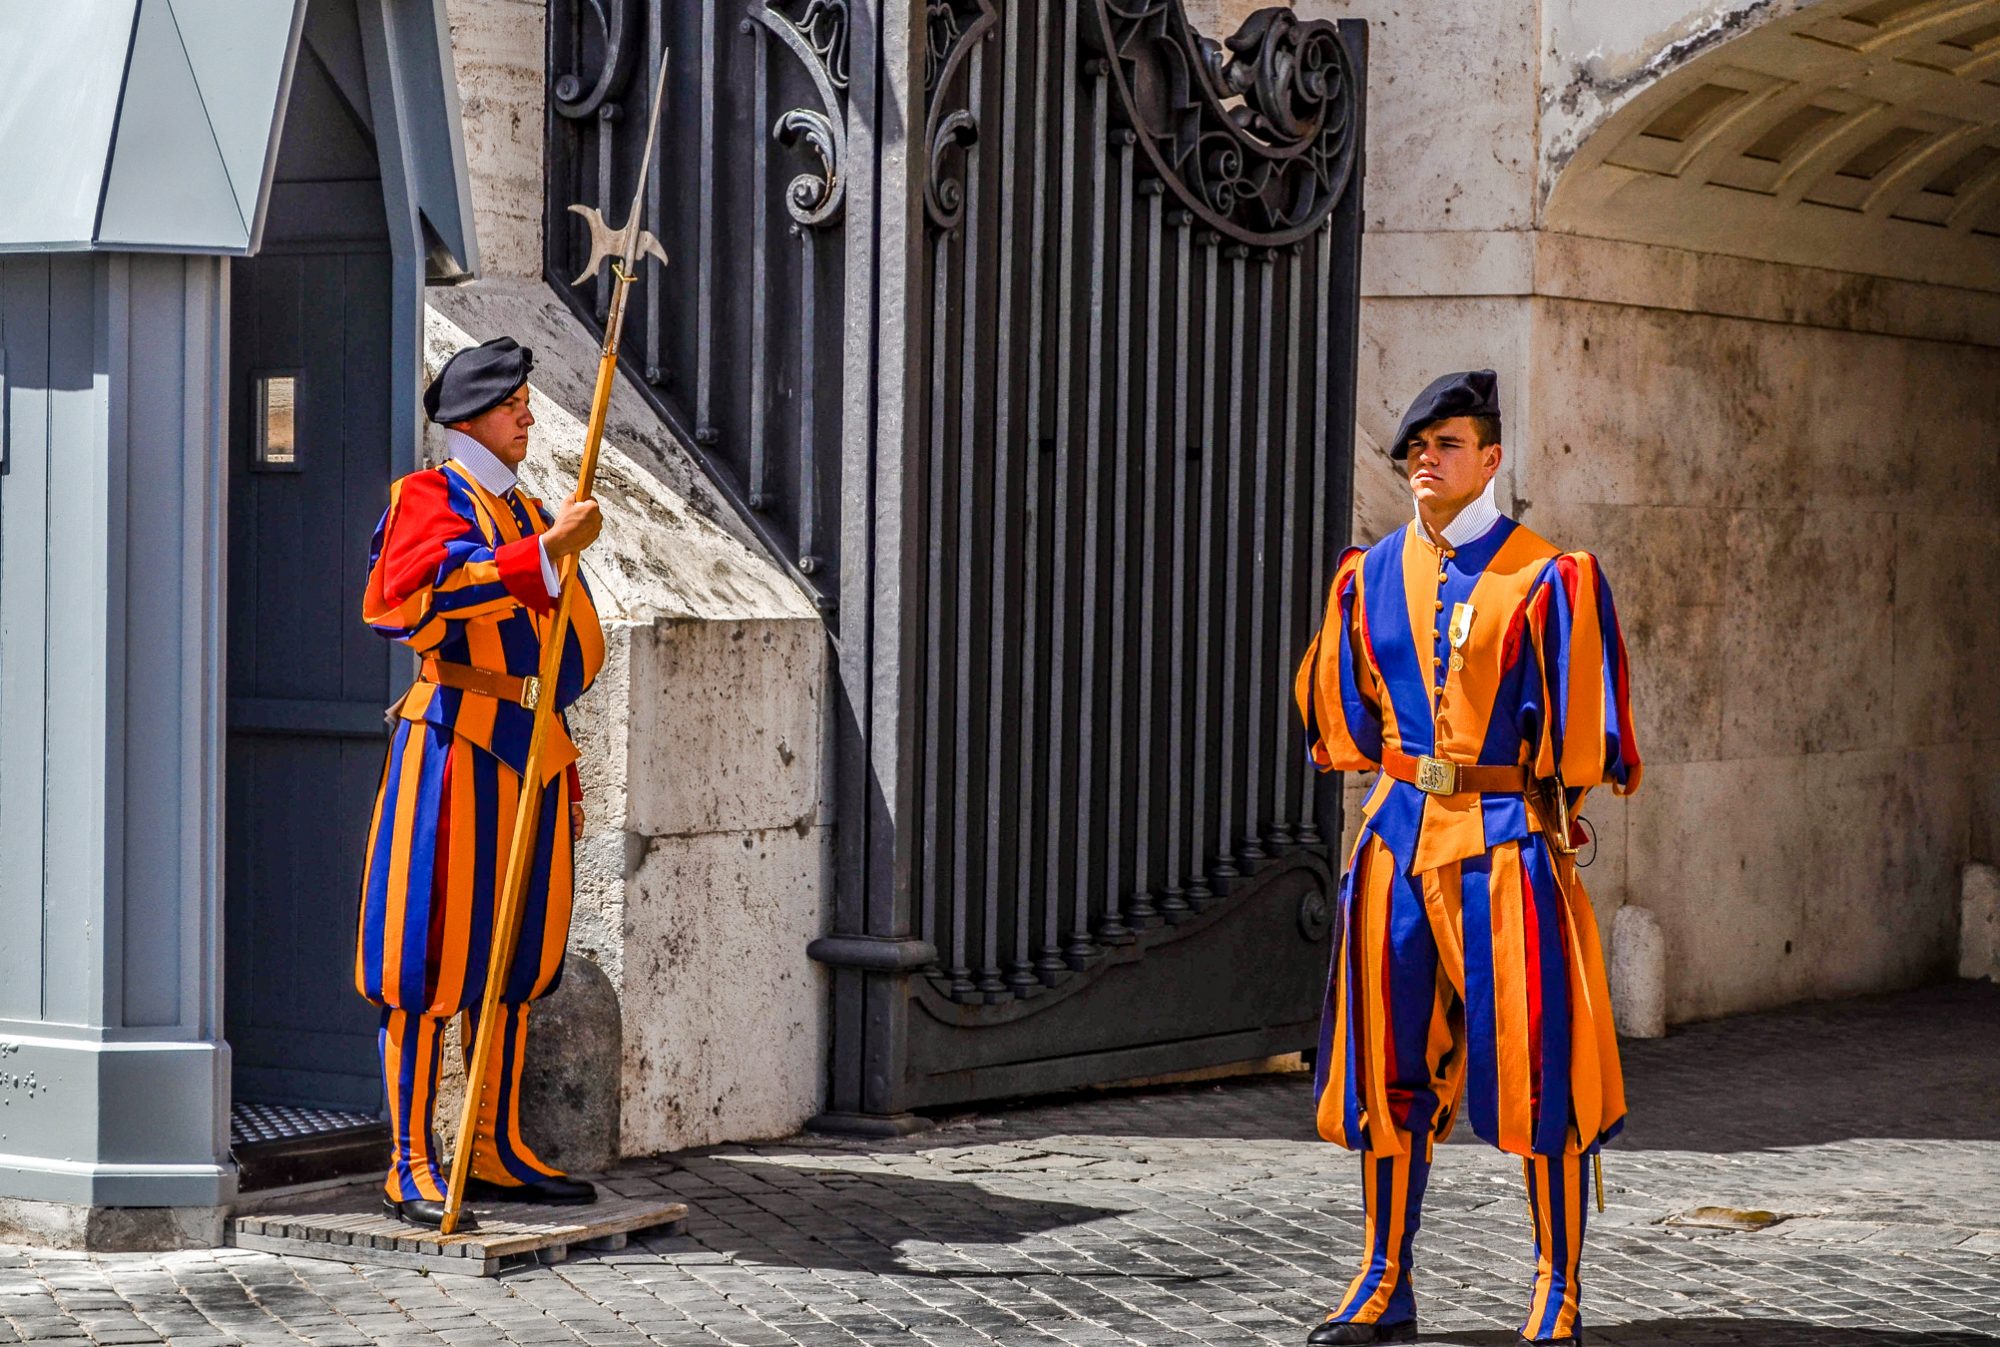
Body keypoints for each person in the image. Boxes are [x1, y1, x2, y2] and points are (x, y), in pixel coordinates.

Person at [1293, 370, 1641, 1345]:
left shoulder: (1546, 576)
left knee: (1539, 1067)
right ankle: (1380, 1284)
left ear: (1489, 459)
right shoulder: (1366, 576)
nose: (1423, 461)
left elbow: (1577, 732)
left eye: (1444, 445)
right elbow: (1348, 719)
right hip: (1396, 839)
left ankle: (1554, 1291)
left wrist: (1549, 816)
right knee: (1383, 1067)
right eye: (1413, 448)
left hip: (1504, 846)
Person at [355, 336, 607, 1229]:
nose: (529, 415)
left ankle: (491, 1147)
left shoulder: (530, 506)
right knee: (427, 958)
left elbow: (567, 639)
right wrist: (540, 559)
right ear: (471, 419)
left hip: (535, 746)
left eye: (528, 402)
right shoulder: (426, 497)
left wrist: (554, 556)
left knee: (516, 961)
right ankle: (411, 1161)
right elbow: (409, 599)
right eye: (514, 405)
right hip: (456, 744)